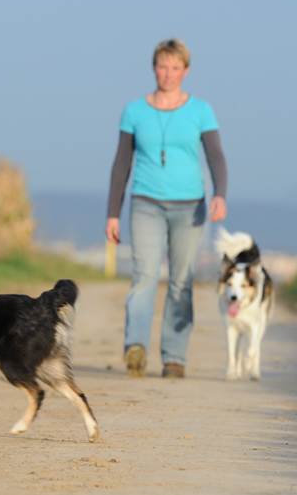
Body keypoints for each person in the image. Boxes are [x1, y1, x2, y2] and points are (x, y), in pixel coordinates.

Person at [104, 38, 227, 379]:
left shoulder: (201, 110)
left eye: (175, 68)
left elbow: (216, 156)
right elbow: (120, 164)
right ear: (154, 67)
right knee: (144, 276)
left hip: (190, 206)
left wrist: (220, 194)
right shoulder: (134, 110)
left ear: (185, 71)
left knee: (180, 281)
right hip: (145, 202)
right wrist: (113, 213)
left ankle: (174, 357)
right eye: (162, 66)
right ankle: (136, 348)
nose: (168, 74)